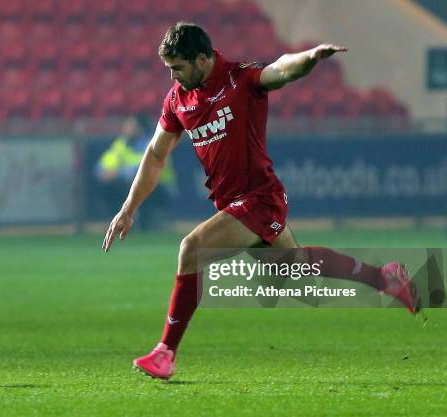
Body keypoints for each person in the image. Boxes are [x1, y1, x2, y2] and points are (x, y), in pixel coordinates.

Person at [102, 22, 418, 380]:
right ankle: (385, 278)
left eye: (177, 68)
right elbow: (156, 155)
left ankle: (165, 352)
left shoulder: (241, 78)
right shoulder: (178, 98)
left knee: (192, 248)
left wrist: (310, 57)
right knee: (294, 268)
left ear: (202, 59)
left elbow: (280, 69)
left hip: (258, 198)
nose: (172, 76)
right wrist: (128, 208)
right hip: (232, 202)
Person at [95, 115, 175, 230]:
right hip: (130, 186)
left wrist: (117, 173)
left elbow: (143, 169)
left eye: (130, 126)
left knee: (138, 184)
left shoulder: (154, 143)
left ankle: (147, 223)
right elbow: (100, 168)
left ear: (139, 129)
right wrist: (104, 172)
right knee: (109, 186)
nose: (125, 129)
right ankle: (119, 222)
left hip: (159, 188)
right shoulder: (121, 144)